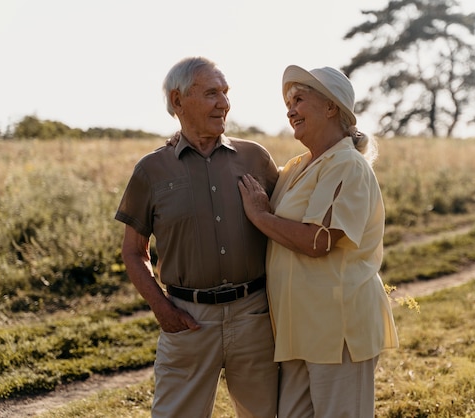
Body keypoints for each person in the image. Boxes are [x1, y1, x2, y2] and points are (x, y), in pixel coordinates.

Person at [115, 56, 279, 418]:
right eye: (211, 93)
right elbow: (133, 251)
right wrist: (162, 308)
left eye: (225, 92)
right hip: (187, 320)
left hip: (253, 316)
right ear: (177, 101)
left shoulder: (255, 158)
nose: (224, 103)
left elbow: (290, 218)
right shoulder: (151, 170)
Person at [237, 65, 399, 417]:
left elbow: (318, 241)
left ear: (331, 107)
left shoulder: (347, 166)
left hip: (337, 329)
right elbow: (239, 162)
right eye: (288, 102)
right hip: (297, 330)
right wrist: (186, 136)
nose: (289, 109)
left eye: (299, 99)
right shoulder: (297, 166)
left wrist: (262, 218)